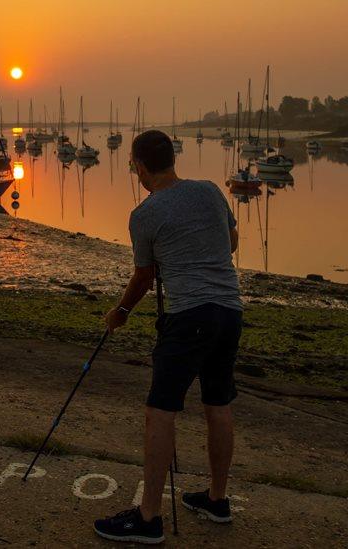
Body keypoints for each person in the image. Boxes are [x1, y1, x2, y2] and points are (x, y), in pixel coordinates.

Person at [93, 130, 242, 544]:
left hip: (190, 316)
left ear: (140, 166)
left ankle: (148, 517)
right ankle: (216, 499)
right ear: (171, 159)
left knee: (161, 408)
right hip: (230, 312)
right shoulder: (211, 191)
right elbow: (230, 241)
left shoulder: (144, 214)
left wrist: (120, 312)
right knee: (217, 401)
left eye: (133, 165)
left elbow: (145, 273)